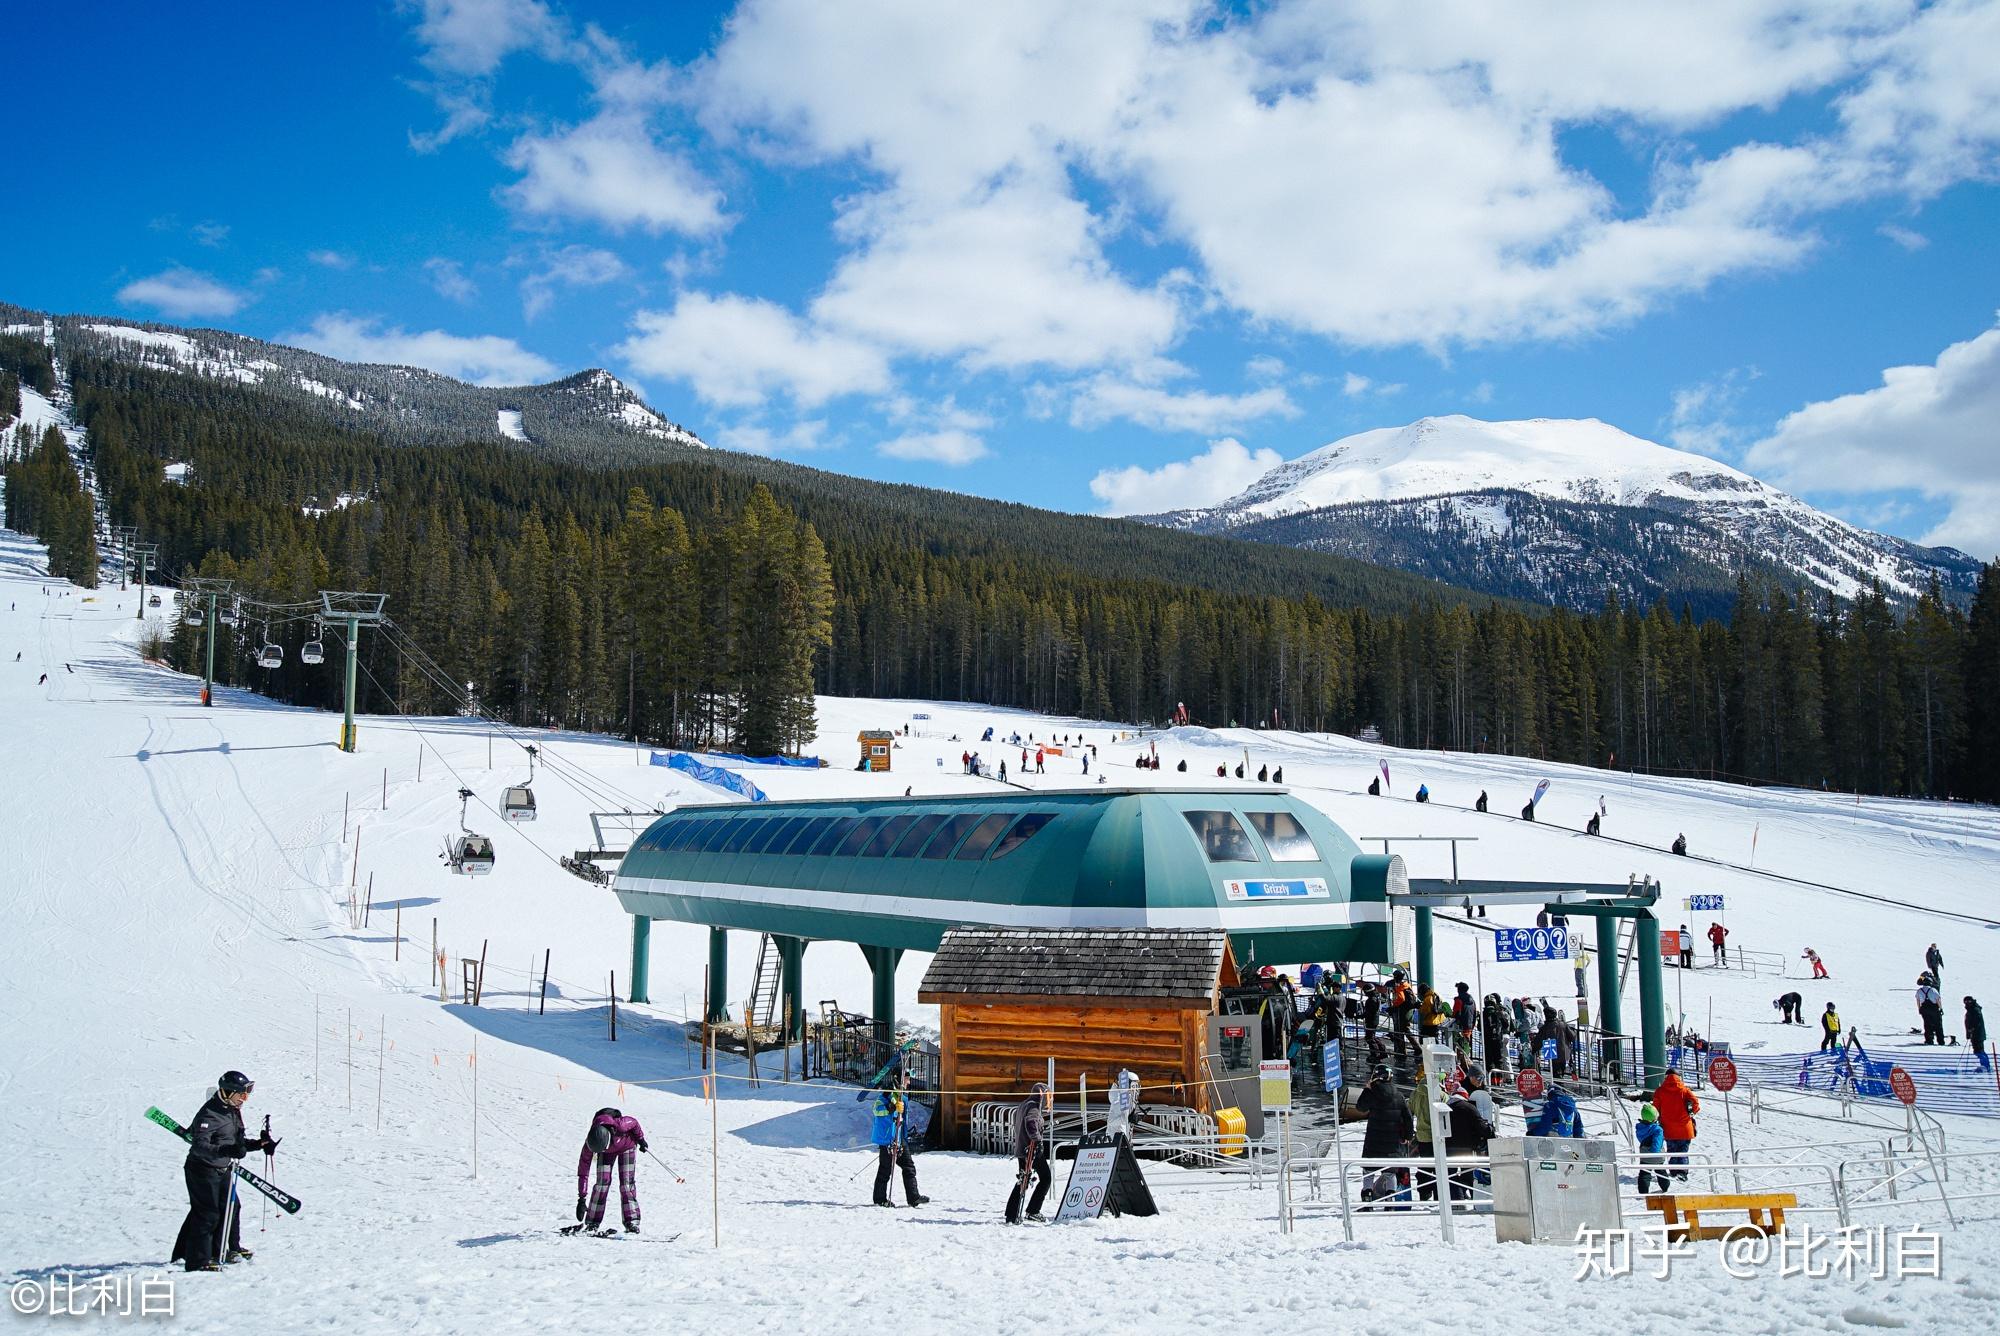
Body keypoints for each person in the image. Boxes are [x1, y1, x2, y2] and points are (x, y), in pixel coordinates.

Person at [172, 1071, 275, 1272]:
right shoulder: (209, 1114)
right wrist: (227, 1151)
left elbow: (234, 1143)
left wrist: (259, 1144)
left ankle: (226, 1250)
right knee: (208, 1214)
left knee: (231, 1208)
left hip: (222, 1168)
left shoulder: (232, 1110)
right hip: (202, 1170)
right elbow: (200, 1145)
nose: (244, 1099)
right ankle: (198, 1261)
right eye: (241, 1094)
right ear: (228, 1092)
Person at [577, 1106, 648, 1233]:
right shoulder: (591, 1143)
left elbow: (634, 1122)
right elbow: (583, 1171)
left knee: (627, 1184)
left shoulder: (621, 1125)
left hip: (627, 1146)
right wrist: (581, 1199)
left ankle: (632, 1222)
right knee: (602, 1184)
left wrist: (641, 1139)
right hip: (608, 1153)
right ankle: (592, 1222)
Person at [871, 1070, 928, 1207]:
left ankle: (913, 1197)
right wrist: (892, 1108)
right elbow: (876, 1110)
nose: (909, 1082)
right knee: (885, 1169)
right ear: (898, 1079)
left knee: (909, 1166)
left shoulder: (903, 1096)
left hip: (900, 1137)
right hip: (888, 1138)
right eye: (907, 1079)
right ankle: (880, 1199)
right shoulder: (886, 1095)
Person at [1357, 1070, 1413, 1203]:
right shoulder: (1399, 1096)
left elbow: (1360, 1107)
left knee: (1368, 1172)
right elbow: (1408, 1118)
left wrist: (1366, 1089)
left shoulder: (1371, 1094)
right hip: (1392, 1142)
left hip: (1373, 1141)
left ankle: (1367, 1201)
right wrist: (1407, 1136)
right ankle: (1390, 1202)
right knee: (1390, 1173)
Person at [1005, 1083, 1053, 1224]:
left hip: (1022, 1149)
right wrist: (1037, 1140)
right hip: (1031, 1149)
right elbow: (1031, 1123)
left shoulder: (1024, 1104)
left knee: (1023, 1180)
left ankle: (1012, 1214)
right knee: (1046, 1178)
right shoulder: (1033, 1107)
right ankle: (1033, 1211)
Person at [1444, 1086, 1494, 1199]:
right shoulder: (1470, 1108)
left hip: (1448, 1147)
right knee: (1467, 1174)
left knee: (1450, 1175)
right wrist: (1490, 1129)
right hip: (1467, 1148)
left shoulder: (1445, 1107)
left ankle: (1456, 1199)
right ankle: (1465, 1196)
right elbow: (1481, 1127)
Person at [1650, 1070, 1699, 1179]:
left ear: (1666, 1077)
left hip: (1668, 1129)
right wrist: (1690, 1113)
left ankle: (1673, 1171)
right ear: (1678, 1077)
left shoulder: (1660, 1091)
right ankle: (1682, 1172)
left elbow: (1655, 1109)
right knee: (1683, 1151)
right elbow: (1695, 1103)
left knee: (1671, 1150)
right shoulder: (1685, 1090)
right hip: (1685, 1128)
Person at [1634, 1104, 1669, 1196]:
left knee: (1644, 1174)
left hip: (1644, 1155)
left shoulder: (1640, 1128)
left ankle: (1643, 1192)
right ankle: (1665, 1187)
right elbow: (1657, 1144)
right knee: (1661, 1173)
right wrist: (1655, 1151)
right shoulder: (1657, 1129)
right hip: (1656, 1156)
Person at [1481, 994, 1510, 1074]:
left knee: (1489, 1060)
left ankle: (1491, 1079)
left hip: (1487, 1039)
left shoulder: (1483, 1013)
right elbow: (1506, 1025)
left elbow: (1480, 1027)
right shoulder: (1498, 1012)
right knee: (1498, 1060)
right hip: (1497, 1039)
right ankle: (1499, 1079)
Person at [1918, 977, 1946, 1045]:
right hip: (1934, 1009)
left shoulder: (1919, 991)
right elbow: (1938, 1000)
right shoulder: (1933, 990)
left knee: (1927, 1025)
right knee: (1938, 1025)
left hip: (1924, 1009)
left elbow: (1918, 1001)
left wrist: (1919, 1009)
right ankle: (1940, 1041)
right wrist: (1941, 1008)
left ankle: (1929, 1040)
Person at [1966, 997, 1989, 1071]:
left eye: (1968, 1001)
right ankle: (1985, 1065)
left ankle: (1986, 1066)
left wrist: (1972, 1029)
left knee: (1979, 1050)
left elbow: (1977, 1022)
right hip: (1975, 1034)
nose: (1966, 1003)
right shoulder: (1972, 1009)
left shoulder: (1975, 1010)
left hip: (1978, 1034)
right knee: (1977, 1050)